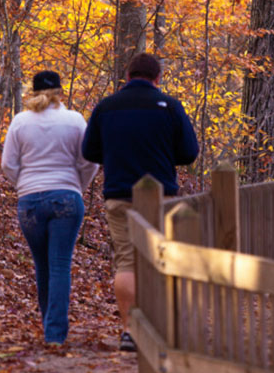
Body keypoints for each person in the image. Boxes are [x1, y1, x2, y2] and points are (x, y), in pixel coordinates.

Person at [82, 53, 199, 351]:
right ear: (157, 78)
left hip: (119, 194)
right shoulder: (170, 107)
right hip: (161, 198)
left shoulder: (106, 107)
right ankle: (161, 327)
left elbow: (89, 151)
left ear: (127, 75)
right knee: (161, 259)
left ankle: (130, 331)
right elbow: (188, 153)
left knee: (126, 261)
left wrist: (116, 154)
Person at [1, 70, 98, 346]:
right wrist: (78, 186)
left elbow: (8, 164)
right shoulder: (75, 120)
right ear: (60, 91)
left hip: (29, 202)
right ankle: (54, 334)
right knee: (59, 265)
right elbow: (89, 161)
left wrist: (25, 186)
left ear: (32, 92)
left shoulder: (20, 122)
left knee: (42, 266)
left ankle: (49, 326)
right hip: (66, 197)